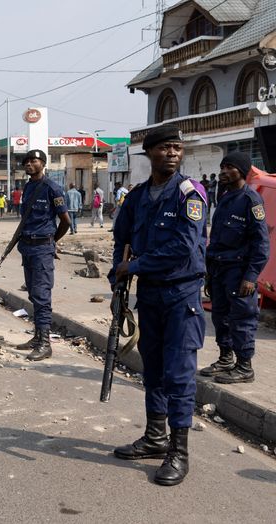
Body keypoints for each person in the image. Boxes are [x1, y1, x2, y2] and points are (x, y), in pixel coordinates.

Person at [109, 124, 208, 486]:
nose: (172, 154)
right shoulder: (136, 197)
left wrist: (132, 266)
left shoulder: (189, 193)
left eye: (178, 149)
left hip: (182, 296)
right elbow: (120, 241)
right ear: (149, 153)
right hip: (149, 295)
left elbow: (183, 247)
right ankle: (155, 437)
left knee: (178, 374)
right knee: (152, 370)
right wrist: (115, 281)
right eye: (165, 148)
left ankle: (178, 452)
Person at [201, 152, 269, 384]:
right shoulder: (226, 198)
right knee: (220, 316)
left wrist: (251, 276)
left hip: (239, 273)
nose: (223, 172)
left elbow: (261, 243)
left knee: (242, 318)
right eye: (222, 167)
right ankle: (225, 359)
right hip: (219, 270)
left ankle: (244, 366)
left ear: (242, 171)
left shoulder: (251, 201)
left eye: (229, 167)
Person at [14, 150, 70, 361]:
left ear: (43, 164)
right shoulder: (28, 187)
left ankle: (45, 344)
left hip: (42, 248)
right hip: (27, 247)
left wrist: (53, 241)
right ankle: (37, 337)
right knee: (33, 294)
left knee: (42, 295)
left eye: (33, 161)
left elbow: (65, 221)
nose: (29, 164)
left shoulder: (51, 189)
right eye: (26, 161)